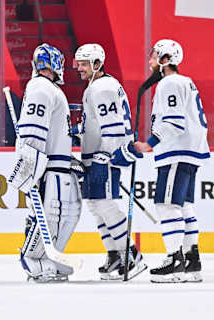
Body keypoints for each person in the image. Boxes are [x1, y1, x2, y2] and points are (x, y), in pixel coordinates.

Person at [133, 39, 210, 283]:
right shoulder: (185, 82)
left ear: (166, 59)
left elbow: (174, 123)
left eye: (154, 56)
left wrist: (149, 143)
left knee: (166, 205)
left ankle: (175, 261)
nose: (150, 61)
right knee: (184, 204)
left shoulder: (169, 83)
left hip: (177, 152)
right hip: (190, 151)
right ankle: (191, 260)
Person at [7, 43, 82, 282]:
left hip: (59, 166)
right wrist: (31, 165)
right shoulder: (40, 87)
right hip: (48, 168)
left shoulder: (47, 88)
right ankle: (33, 258)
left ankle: (52, 257)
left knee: (67, 214)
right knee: (49, 215)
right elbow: (33, 131)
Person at [72, 43, 146, 280]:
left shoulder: (102, 88)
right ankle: (115, 255)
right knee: (96, 205)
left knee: (104, 204)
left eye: (84, 64)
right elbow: (96, 122)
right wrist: (76, 130)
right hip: (97, 155)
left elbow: (112, 128)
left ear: (97, 64)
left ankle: (131, 256)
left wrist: (104, 158)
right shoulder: (97, 87)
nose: (79, 68)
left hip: (104, 157)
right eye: (78, 63)